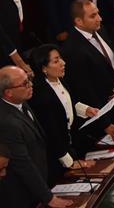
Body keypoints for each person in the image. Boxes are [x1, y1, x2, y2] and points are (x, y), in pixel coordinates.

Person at [0, 65, 73, 208]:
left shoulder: (20, 100)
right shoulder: (7, 122)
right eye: (25, 83)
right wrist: (48, 197)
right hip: (23, 194)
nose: (31, 85)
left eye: (29, 79)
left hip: (40, 182)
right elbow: (23, 164)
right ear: (8, 93)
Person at [27, 44, 102, 182]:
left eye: (61, 58)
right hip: (56, 156)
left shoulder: (60, 79)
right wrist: (69, 162)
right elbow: (51, 132)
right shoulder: (41, 95)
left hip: (72, 144)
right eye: (56, 61)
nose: (63, 63)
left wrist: (85, 109)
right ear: (43, 68)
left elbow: (67, 102)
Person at [61, 0, 114, 123]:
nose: (100, 18)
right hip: (101, 112)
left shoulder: (101, 29)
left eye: (98, 13)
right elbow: (84, 89)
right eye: (93, 16)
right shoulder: (72, 50)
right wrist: (104, 123)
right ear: (78, 21)